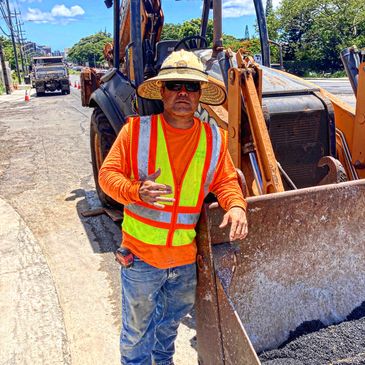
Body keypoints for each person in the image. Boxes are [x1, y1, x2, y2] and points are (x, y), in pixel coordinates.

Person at [98, 49, 248, 365]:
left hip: (183, 262)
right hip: (141, 258)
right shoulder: (135, 131)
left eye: (190, 86)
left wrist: (235, 206)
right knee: (137, 335)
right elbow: (107, 177)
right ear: (163, 91)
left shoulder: (215, 138)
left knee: (167, 332)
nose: (183, 93)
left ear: (199, 94)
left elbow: (225, 181)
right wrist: (135, 190)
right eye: (175, 85)